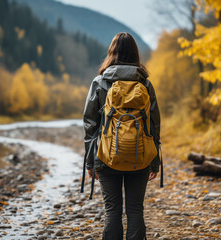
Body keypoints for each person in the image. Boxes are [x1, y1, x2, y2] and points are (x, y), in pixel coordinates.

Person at [82, 32, 161, 240]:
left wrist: (90, 162)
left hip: (106, 156)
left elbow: (90, 124)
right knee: (135, 210)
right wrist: (155, 162)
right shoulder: (145, 84)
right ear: (135, 53)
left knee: (112, 212)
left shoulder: (99, 82)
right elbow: (154, 125)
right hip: (141, 156)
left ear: (111, 53)